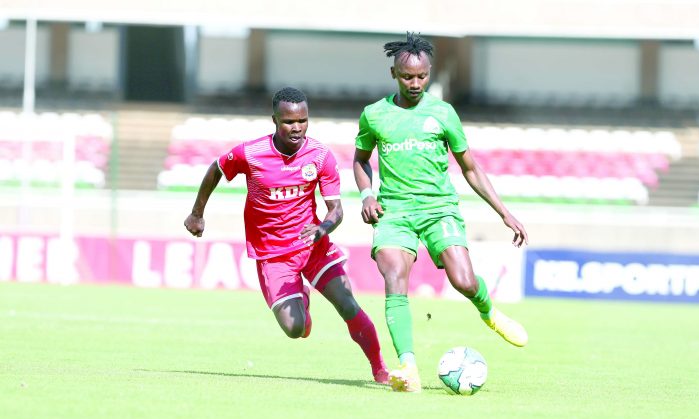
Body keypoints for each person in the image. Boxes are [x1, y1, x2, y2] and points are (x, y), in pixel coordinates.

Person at [353, 33, 529, 393]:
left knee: (463, 281)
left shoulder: (443, 113)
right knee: (393, 274)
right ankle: (408, 367)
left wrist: (503, 213)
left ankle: (489, 312)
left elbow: (470, 168)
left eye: (421, 76)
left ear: (429, 73)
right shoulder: (374, 114)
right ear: (393, 73)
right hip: (395, 210)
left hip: (438, 208)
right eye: (407, 77)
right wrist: (367, 195)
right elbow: (360, 160)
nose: (415, 84)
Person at [185, 87, 389, 384]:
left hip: (312, 245)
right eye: (289, 122)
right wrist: (197, 213)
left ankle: (380, 369)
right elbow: (216, 169)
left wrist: (322, 229)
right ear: (274, 120)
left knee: (346, 303)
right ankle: (301, 299)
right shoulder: (250, 153)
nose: (297, 128)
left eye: (303, 121)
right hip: (273, 256)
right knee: (295, 329)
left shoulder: (319, 156)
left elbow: (336, 211)